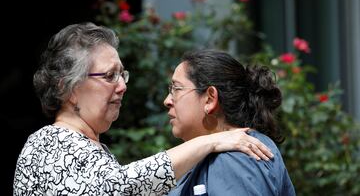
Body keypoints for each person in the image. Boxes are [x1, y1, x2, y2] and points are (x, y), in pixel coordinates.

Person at [13, 22, 274, 195]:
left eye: (122, 75)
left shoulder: (88, 148)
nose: (122, 86)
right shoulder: (48, 142)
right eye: (109, 76)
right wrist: (210, 141)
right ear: (68, 88)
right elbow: (119, 187)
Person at [164, 49, 296, 195]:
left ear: (209, 99)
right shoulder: (222, 154)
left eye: (176, 88)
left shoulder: (234, 157)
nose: (167, 101)